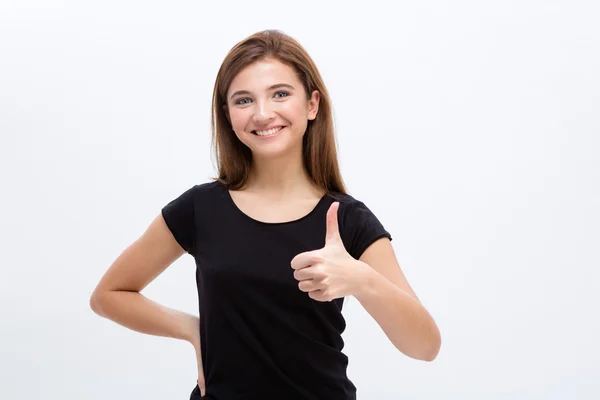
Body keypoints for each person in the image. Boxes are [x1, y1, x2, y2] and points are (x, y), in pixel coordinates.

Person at [90, 29, 441, 400]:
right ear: (227, 115)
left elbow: (425, 347)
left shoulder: (346, 219)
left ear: (312, 104)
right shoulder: (200, 208)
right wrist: (194, 330)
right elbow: (109, 294)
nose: (262, 113)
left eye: (280, 94)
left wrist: (362, 280)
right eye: (243, 100)